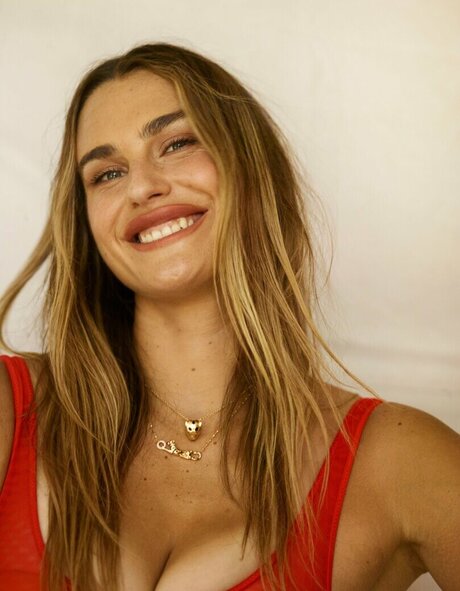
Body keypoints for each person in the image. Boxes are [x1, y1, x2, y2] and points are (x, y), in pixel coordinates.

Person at [0, 43, 458, 591]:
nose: (141, 187)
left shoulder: (396, 462)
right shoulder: (11, 411)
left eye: (177, 143)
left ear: (250, 166)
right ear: (86, 226)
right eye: (107, 173)